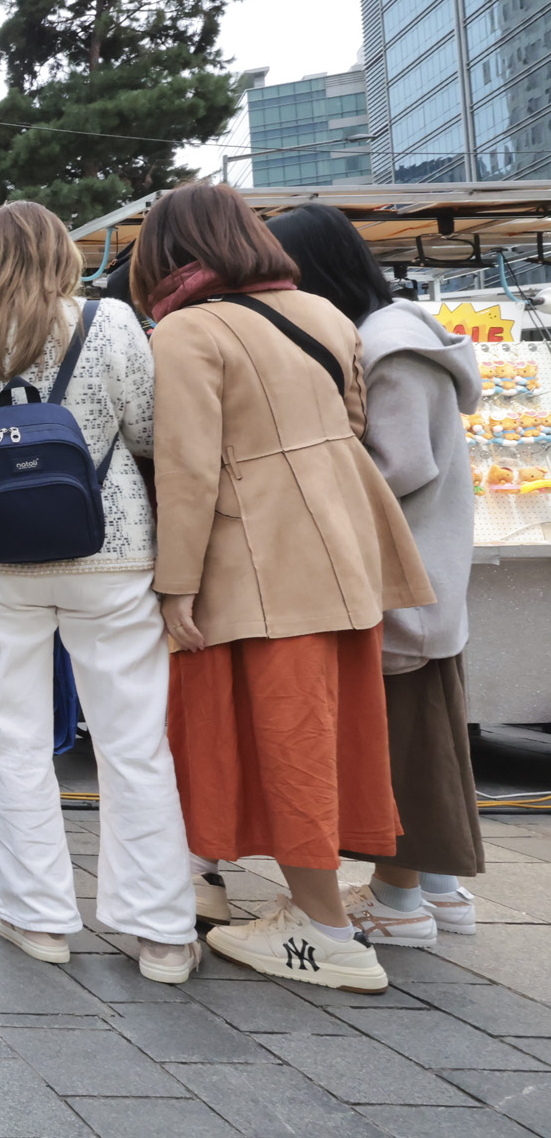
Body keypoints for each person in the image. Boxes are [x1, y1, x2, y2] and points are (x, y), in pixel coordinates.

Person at [138, 181, 433, 994]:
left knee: (283, 737)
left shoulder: (187, 331)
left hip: (258, 564)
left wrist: (175, 586)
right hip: (344, 555)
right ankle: (309, 908)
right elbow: (352, 426)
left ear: (167, 254)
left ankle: (325, 934)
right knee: (330, 736)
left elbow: (189, 471)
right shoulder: (326, 314)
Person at [0, 201, 198, 983]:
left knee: (18, 738)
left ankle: (35, 916)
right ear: (61, 255)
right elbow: (147, 431)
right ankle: (160, 932)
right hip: (109, 549)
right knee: (134, 741)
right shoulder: (109, 324)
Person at [271, 203, 485, 943]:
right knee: (428, 750)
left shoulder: (389, 348)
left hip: (403, 585)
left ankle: (400, 905)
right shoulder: (397, 335)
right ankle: (439, 893)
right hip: (421, 580)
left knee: (403, 752)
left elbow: (396, 468)